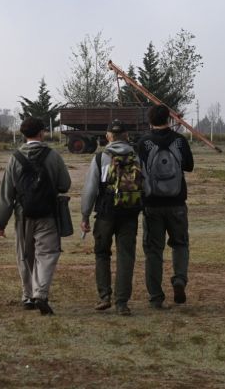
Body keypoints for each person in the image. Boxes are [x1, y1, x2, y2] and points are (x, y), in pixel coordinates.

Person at [0, 116, 71, 315]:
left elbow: (6, 194)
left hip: (23, 215)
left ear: (23, 134)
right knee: (47, 254)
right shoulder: (53, 156)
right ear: (42, 132)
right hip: (48, 213)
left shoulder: (14, 158)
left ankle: (27, 296)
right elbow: (65, 184)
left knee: (25, 255)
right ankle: (41, 293)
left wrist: (1, 222)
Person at [80, 120, 141, 316]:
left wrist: (85, 215)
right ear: (126, 136)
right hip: (130, 211)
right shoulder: (136, 156)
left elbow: (90, 189)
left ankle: (104, 296)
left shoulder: (100, 158)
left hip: (106, 211)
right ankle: (122, 302)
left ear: (108, 136)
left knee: (102, 253)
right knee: (126, 256)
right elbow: (145, 184)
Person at [137, 104, 194, 309]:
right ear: (169, 119)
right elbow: (189, 166)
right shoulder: (180, 140)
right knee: (180, 244)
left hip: (152, 204)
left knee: (153, 251)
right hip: (177, 203)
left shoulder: (143, 142)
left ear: (150, 120)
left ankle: (155, 296)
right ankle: (179, 279)